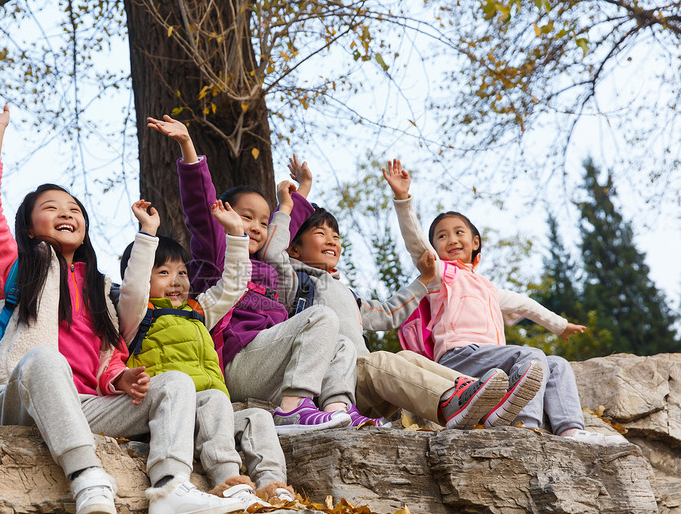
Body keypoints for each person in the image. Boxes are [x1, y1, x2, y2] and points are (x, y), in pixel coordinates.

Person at [0, 88, 245, 514]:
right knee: (44, 358)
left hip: (82, 403)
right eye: (51, 207)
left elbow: (108, 354)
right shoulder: (20, 267)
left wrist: (120, 377)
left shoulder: (98, 288)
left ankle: (171, 487)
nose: (67, 212)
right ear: (29, 225)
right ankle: (86, 476)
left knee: (175, 383)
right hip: (19, 400)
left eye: (74, 208)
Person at [146, 114, 385, 433]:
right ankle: (292, 409)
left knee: (342, 343)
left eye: (262, 221)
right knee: (321, 317)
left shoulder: (268, 267)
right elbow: (201, 210)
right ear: (224, 214)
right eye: (247, 217)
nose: (257, 227)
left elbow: (279, 236)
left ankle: (338, 408)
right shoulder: (219, 255)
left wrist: (300, 192)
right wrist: (189, 149)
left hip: (271, 360)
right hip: (238, 362)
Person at [384, 158, 626, 445]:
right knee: (531, 356)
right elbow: (415, 243)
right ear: (434, 248)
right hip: (459, 357)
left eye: (459, 232)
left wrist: (561, 326)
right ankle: (525, 427)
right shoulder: (439, 274)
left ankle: (571, 431)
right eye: (441, 236)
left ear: (475, 242)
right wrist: (403, 199)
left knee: (558, 364)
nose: (451, 239)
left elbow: (526, 305)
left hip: (491, 360)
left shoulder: (487, 286)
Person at [266, 156, 516, 430]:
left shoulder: (348, 295)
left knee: (409, 359)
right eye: (319, 233)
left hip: (360, 381)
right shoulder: (294, 281)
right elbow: (273, 251)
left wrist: (423, 280)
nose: (331, 241)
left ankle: (483, 399)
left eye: (336, 237)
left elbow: (388, 314)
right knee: (383, 361)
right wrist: (297, 196)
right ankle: (452, 402)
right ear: (294, 249)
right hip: (327, 380)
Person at [117, 200, 296, 505]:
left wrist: (236, 233)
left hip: (215, 415)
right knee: (215, 399)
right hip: (173, 412)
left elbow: (234, 285)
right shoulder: (136, 315)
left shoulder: (198, 311)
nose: (176, 281)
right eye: (163, 272)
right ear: (145, 276)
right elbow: (134, 286)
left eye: (182, 273)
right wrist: (148, 232)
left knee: (257, 419)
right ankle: (229, 480)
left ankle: (273, 486)